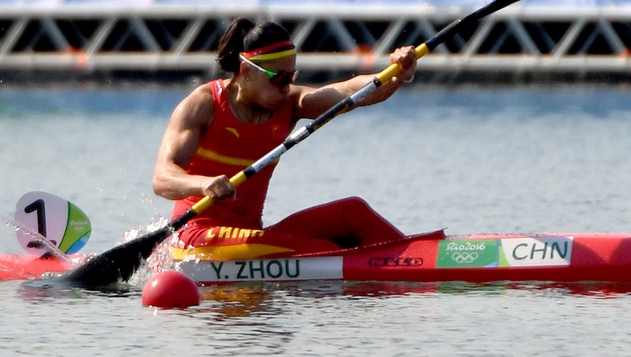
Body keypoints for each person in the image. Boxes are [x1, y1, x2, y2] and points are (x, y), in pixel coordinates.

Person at [152, 17, 439, 257]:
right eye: (278, 79)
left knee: (353, 212)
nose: (287, 87)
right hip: (196, 238)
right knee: (319, 249)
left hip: (250, 237)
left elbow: (350, 91)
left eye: (292, 77)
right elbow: (162, 179)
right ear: (245, 71)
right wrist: (203, 185)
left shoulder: (290, 104)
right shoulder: (203, 105)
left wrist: (397, 74)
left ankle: (422, 258)